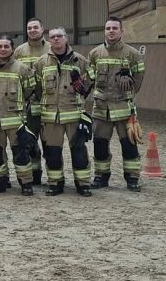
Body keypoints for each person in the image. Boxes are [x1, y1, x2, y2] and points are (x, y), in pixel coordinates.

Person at [87, 16, 146, 192]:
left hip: (123, 108)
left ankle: (132, 178)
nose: (111, 31)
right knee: (100, 144)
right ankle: (101, 177)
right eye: (108, 28)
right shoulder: (95, 54)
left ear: (121, 31)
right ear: (104, 31)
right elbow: (89, 79)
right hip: (101, 108)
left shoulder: (133, 54)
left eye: (114, 28)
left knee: (129, 144)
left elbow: (138, 80)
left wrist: (129, 84)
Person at [33, 27, 92, 197]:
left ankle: (83, 184)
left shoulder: (80, 61)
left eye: (59, 36)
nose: (56, 39)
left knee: (79, 150)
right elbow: (36, 88)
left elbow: (89, 86)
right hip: (51, 117)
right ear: (49, 40)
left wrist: (81, 85)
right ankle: (55, 184)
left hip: (74, 115)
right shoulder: (41, 63)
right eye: (52, 37)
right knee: (52, 152)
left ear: (66, 38)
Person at [0, 35, 36, 196]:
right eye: (0, 46)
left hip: (14, 119)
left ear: (12, 48)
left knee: (20, 153)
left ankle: (26, 183)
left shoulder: (22, 68)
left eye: (6, 46)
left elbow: (29, 90)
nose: (3, 49)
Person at [14, 18, 50, 185]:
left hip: (50, 105)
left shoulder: (52, 48)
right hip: (28, 107)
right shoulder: (19, 51)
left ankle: (54, 178)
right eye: (29, 28)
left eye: (36, 27)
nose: (33, 30)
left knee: (50, 143)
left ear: (42, 28)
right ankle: (35, 176)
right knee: (30, 142)